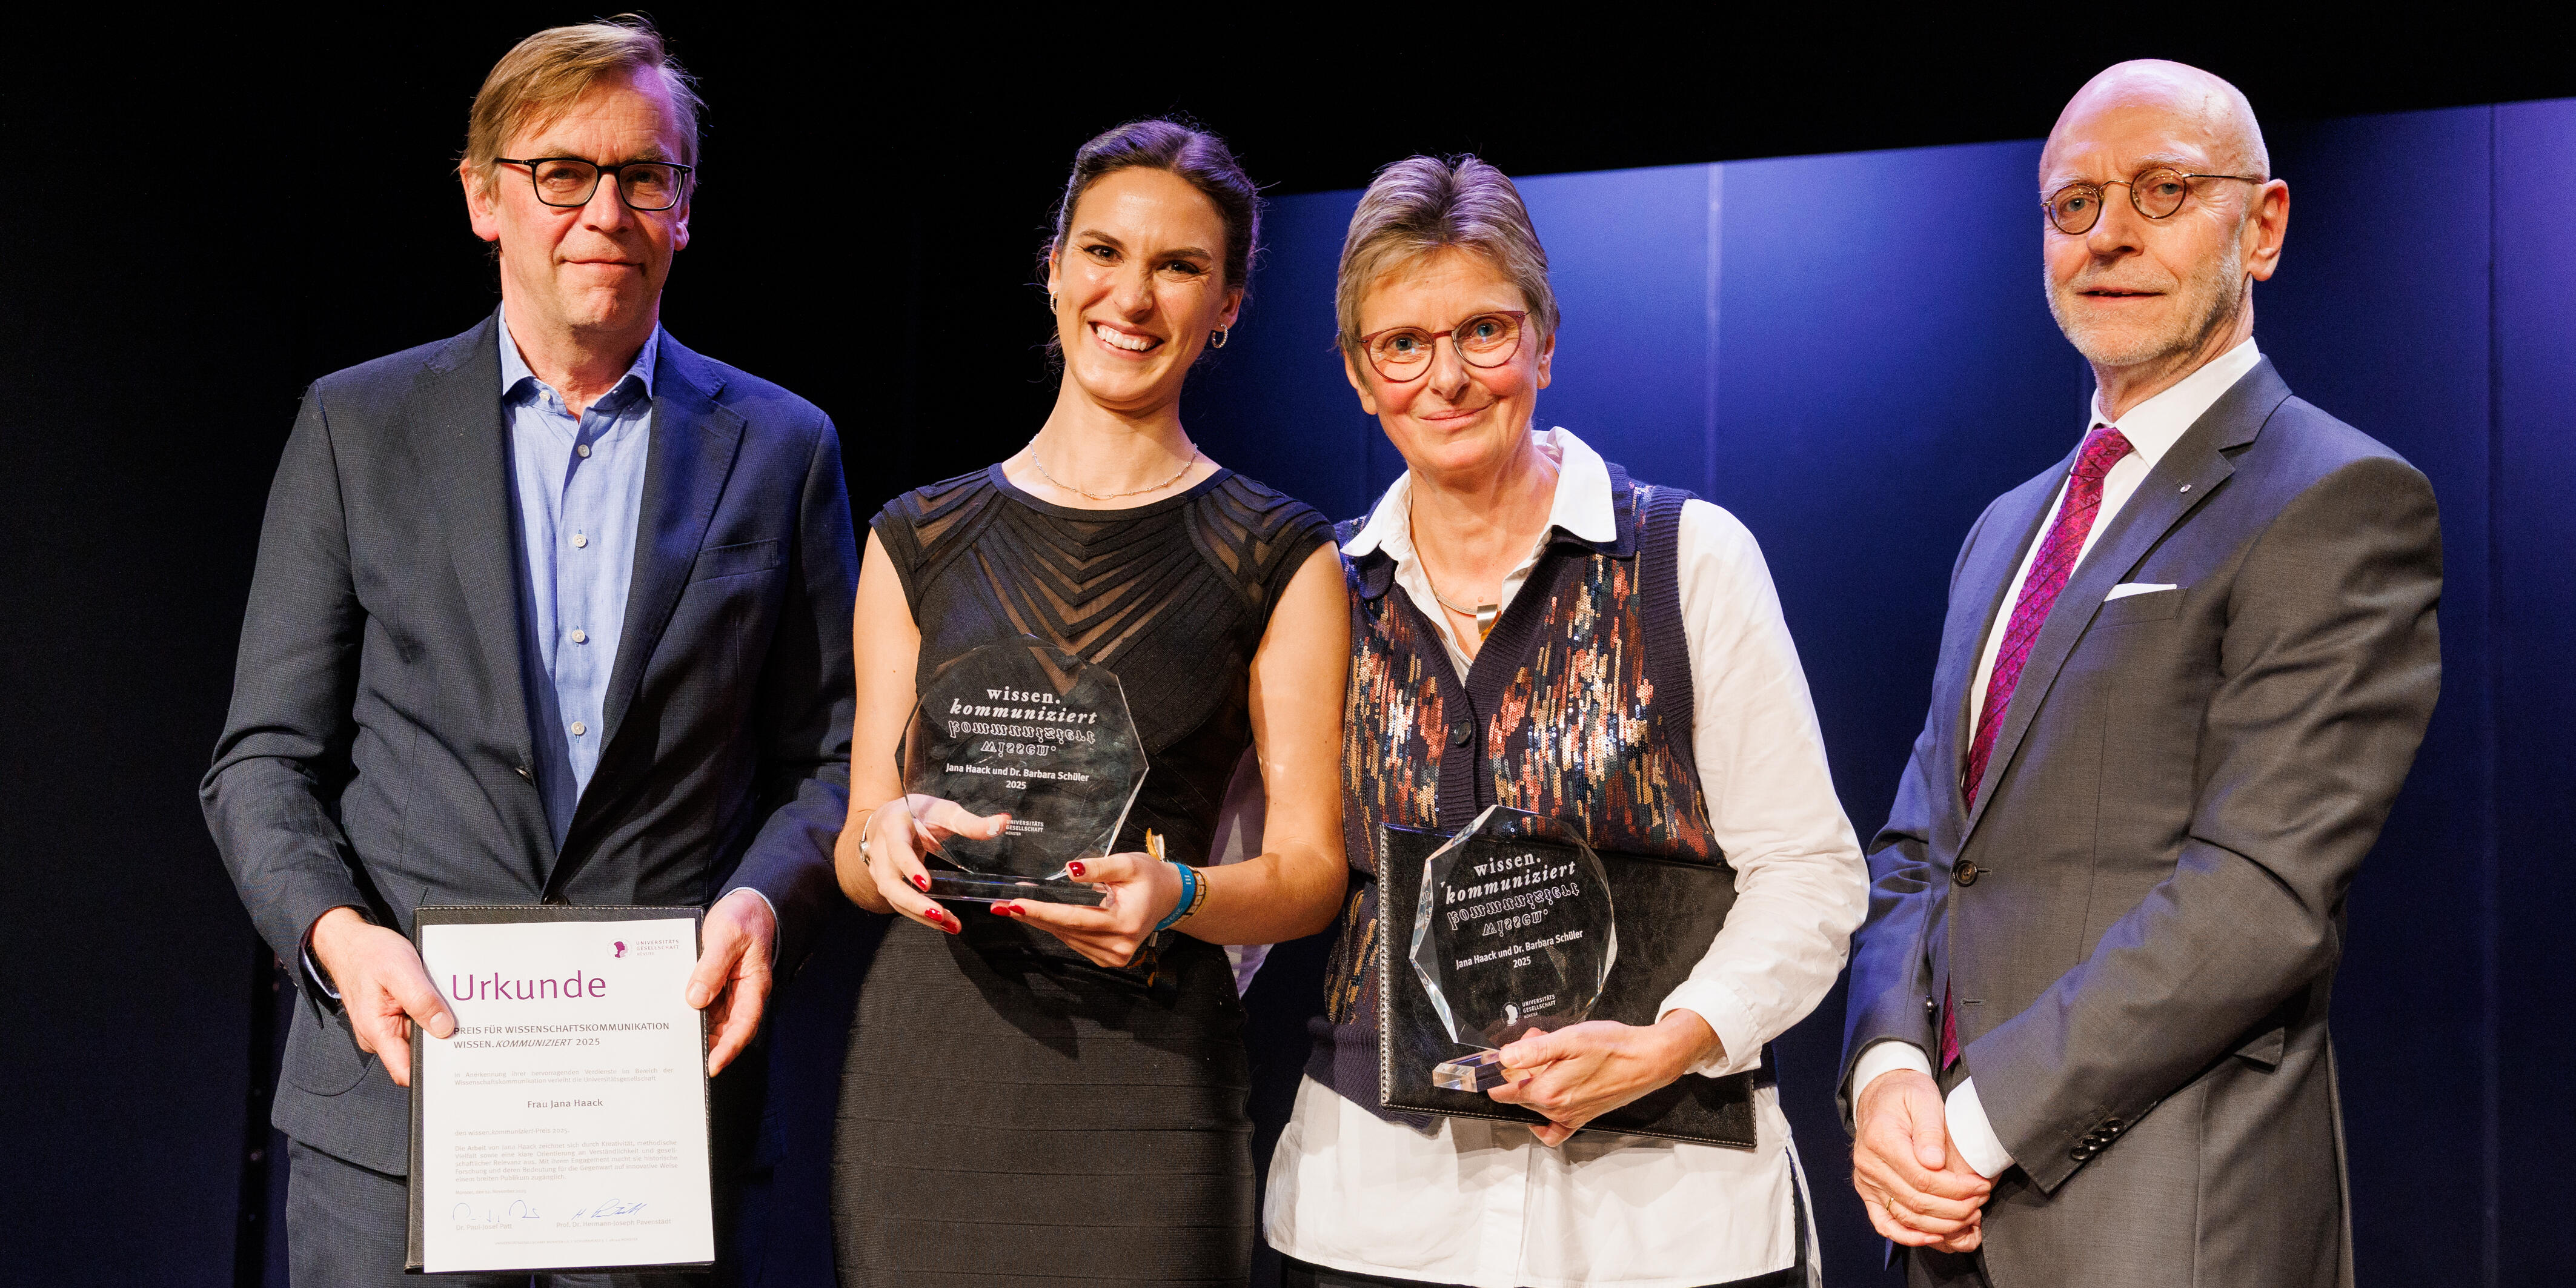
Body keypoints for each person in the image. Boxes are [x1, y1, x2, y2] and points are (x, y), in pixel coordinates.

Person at [199, 19, 856, 1286]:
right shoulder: (355, 426)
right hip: (397, 1114)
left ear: (683, 207)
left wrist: (765, 903)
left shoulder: (783, 448)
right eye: (563, 173)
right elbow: (261, 761)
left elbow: (830, 760)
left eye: (643, 175)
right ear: (483, 198)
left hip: (660, 1121)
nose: (605, 211)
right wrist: (338, 935)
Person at [1839, 60, 2443, 1288]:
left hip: (2168, 1218)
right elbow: (1920, 846)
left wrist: (1976, 1122)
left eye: (2161, 190)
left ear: (2261, 226)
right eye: (2075, 203)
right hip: (1940, 1220)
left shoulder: (2335, 499)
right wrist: (1887, 1067)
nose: (2108, 233)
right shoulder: (2005, 528)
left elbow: (2258, 893)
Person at [1264, 155, 1867, 1288]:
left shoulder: (1688, 560)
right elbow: (1266, 871)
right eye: (1403, 344)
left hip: (1664, 1227)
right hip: (1376, 1221)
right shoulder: (1323, 593)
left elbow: (1810, 872)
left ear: (1545, 339)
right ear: (1358, 373)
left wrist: (1673, 1043)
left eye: (1485, 331)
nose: (1447, 377)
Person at [828, 119, 1352, 1287]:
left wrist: (1182, 895)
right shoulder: (915, 537)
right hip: (930, 1073)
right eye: (1105, 252)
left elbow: (1312, 871)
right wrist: (884, 841)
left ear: (1228, 306)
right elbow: (860, 843)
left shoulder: (1281, 553)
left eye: (1181, 267)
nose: (1133, 296)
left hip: (1150, 1075)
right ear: (1054, 267)